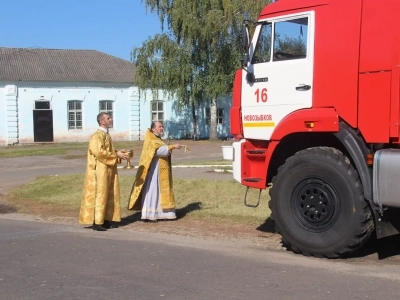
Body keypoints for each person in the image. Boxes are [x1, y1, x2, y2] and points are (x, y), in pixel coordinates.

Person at [79, 112, 129, 231]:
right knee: (100, 194)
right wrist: (115, 154)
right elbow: (99, 152)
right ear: (102, 121)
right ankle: (97, 221)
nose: (110, 120)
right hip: (99, 170)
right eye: (108, 118)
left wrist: (118, 153)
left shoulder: (106, 135)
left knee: (109, 193)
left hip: (108, 169)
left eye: (110, 118)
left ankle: (106, 219)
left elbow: (107, 150)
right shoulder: (97, 136)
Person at [128, 121, 182, 222]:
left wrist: (168, 149)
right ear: (153, 129)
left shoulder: (158, 139)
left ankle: (164, 214)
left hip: (161, 170)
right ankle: (150, 214)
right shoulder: (151, 139)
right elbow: (157, 151)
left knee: (161, 192)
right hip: (154, 171)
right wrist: (172, 147)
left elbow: (163, 150)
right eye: (159, 126)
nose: (162, 128)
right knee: (152, 190)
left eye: (162, 126)